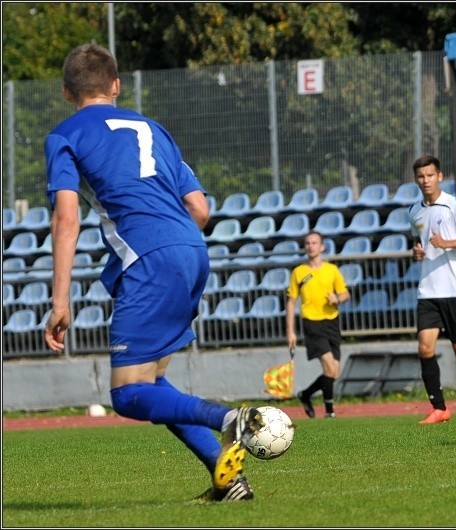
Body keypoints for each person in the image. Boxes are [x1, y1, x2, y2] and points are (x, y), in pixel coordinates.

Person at [43, 44, 264, 503]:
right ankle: (227, 480)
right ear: (117, 86)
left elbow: (67, 218)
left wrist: (59, 301)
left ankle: (228, 420)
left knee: (126, 395)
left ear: (67, 91)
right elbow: (199, 209)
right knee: (150, 382)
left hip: (151, 257)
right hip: (191, 248)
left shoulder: (64, 135)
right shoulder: (153, 128)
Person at [409, 155, 456, 424]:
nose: (425, 180)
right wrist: (417, 252)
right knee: (425, 347)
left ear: (439, 176)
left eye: (430, 175)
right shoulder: (414, 211)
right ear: (416, 179)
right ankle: (439, 408)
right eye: (421, 176)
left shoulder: (455, 205)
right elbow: (418, 242)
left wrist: (447, 243)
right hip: (428, 290)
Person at [286, 230, 350, 419]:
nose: (310, 246)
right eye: (307, 243)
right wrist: (290, 331)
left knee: (334, 372)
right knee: (329, 368)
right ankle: (330, 412)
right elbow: (290, 302)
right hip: (312, 324)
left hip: (332, 322)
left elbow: (346, 294)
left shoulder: (332, 270)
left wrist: (337, 299)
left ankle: (305, 394)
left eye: (314, 243)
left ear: (321, 247)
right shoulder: (299, 272)